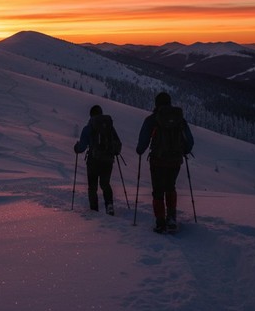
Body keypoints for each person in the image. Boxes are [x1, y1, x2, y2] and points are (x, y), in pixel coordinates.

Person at [135, 92, 194, 233]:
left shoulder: (152, 119)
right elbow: (190, 141)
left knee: (158, 191)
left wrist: (140, 150)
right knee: (170, 187)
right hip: (175, 162)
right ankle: (172, 218)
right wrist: (183, 151)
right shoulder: (179, 119)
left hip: (157, 161)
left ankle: (160, 222)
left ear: (157, 104)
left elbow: (143, 142)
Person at [74, 105, 122, 214]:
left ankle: (94, 209)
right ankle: (109, 206)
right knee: (105, 184)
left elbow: (81, 147)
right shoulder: (109, 126)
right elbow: (117, 143)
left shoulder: (89, 127)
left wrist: (76, 148)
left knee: (92, 186)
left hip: (93, 161)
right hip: (108, 160)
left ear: (91, 115)